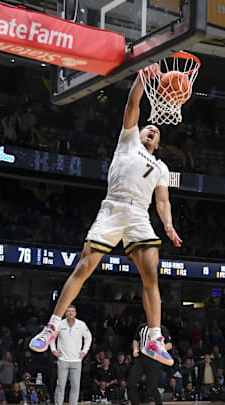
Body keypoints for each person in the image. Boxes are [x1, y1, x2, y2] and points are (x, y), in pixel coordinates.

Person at [29, 64, 183, 367]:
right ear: (138, 131)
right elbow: (133, 103)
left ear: (159, 143)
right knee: (84, 266)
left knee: (151, 274)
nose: (151, 129)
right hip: (113, 207)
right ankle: (52, 326)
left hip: (140, 214)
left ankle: (154, 338)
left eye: (156, 131)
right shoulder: (127, 142)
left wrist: (167, 224)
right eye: (147, 127)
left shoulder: (162, 167)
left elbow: (162, 200)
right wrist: (142, 78)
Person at [51, 305, 92, 405]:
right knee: (61, 385)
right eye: (68, 311)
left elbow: (88, 337)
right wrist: (54, 350)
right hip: (63, 359)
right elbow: (52, 337)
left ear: (75, 313)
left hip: (76, 360)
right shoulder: (59, 324)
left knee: (75, 386)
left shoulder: (81, 324)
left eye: (72, 311)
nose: (70, 313)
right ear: (65, 313)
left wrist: (84, 351)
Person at [128, 323, 173, 405]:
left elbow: (169, 344)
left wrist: (158, 350)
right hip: (141, 358)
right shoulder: (141, 327)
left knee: (152, 386)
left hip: (154, 359)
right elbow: (136, 339)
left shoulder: (161, 328)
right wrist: (135, 349)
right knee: (131, 383)